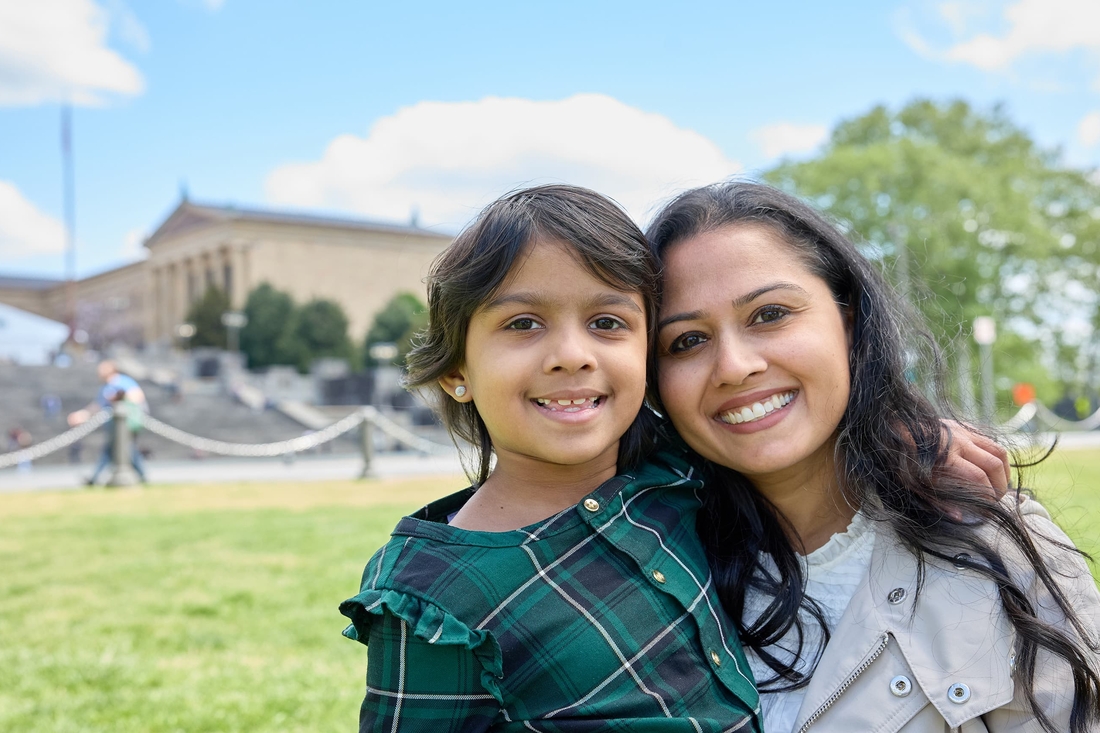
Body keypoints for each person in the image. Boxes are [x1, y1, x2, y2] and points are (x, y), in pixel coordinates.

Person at [339, 185, 1009, 732]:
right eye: (522, 323)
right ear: (456, 367)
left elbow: (779, 422)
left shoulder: (673, 477)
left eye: (608, 323)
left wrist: (901, 428)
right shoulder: (430, 596)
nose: (572, 354)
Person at [647, 181, 1100, 732]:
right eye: (687, 341)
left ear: (849, 321)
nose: (734, 365)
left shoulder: (993, 540)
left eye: (770, 314)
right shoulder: (649, 573)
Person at [68, 359, 148, 485]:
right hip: (114, 425)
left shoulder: (122, 381)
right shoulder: (105, 387)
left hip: (127, 423)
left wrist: (119, 397)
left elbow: (137, 396)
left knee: (126, 449)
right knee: (112, 450)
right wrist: (81, 415)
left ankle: (141, 476)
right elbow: (97, 406)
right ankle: (95, 478)